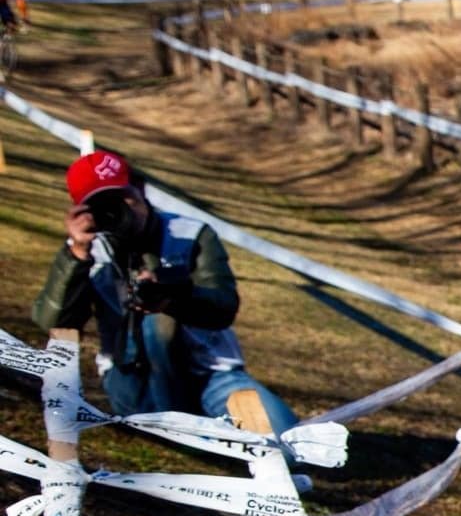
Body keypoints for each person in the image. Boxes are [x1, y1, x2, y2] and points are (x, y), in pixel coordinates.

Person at [33, 151, 295, 434]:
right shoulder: (86, 252)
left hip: (209, 372)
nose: (116, 210)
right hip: (134, 380)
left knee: (283, 436)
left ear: (140, 189)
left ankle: (198, 429)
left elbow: (224, 307)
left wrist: (172, 297)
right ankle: (185, 430)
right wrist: (76, 253)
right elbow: (54, 322)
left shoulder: (190, 234)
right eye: (101, 204)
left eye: (122, 197)